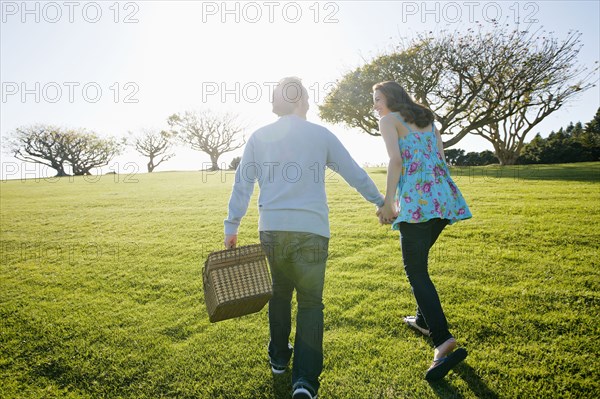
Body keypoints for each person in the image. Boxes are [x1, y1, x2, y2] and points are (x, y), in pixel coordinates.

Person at [224, 77, 385, 399]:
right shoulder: (321, 135)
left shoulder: (260, 136)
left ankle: (279, 360)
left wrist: (232, 225)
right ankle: (305, 382)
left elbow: (243, 183)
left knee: (280, 295)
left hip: (272, 228)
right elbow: (353, 172)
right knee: (310, 302)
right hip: (311, 230)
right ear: (302, 101)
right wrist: (380, 202)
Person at [373, 81, 472, 381]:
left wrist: (388, 202)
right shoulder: (427, 118)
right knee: (420, 263)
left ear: (390, 98)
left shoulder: (388, 121)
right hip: (443, 199)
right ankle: (421, 319)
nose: (375, 105)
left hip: (417, 203)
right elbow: (440, 160)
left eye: (377, 99)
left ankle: (442, 341)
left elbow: (396, 160)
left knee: (416, 271)